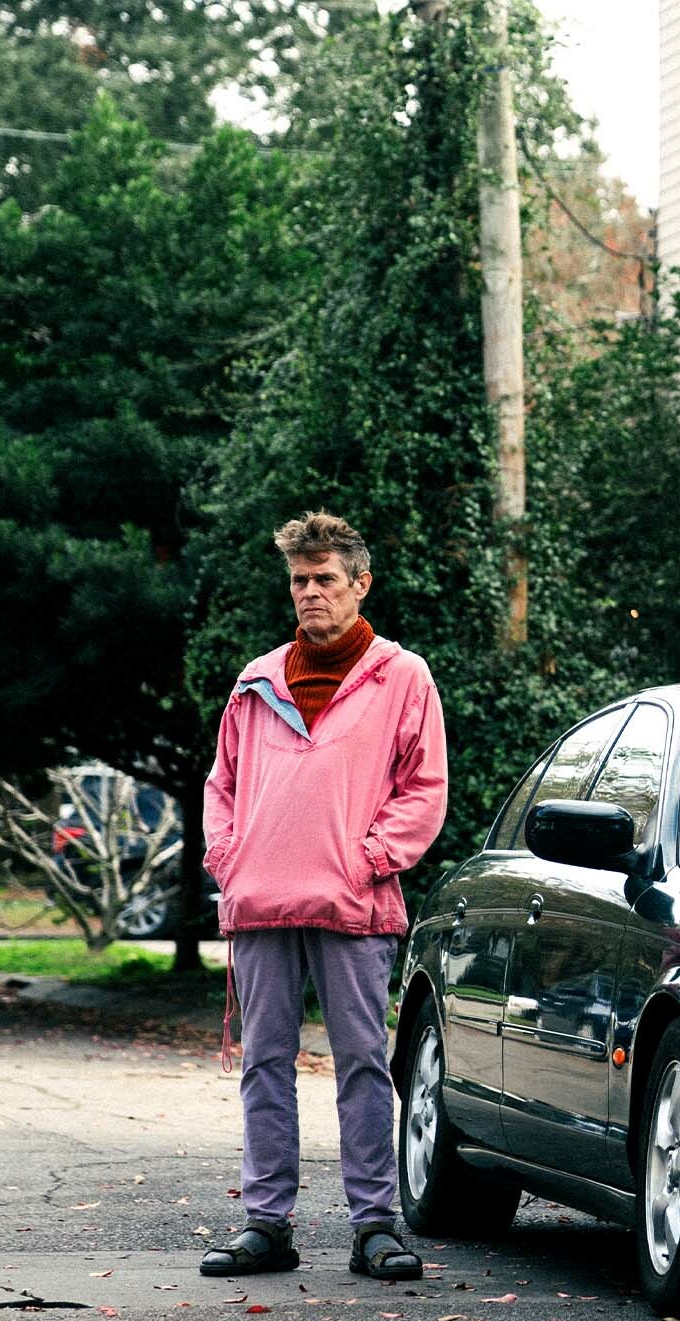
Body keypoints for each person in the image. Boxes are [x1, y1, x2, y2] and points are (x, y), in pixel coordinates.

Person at [198, 511, 448, 1281]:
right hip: (261, 903)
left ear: (360, 584)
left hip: (353, 903)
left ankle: (375, 1226)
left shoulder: (402, 676)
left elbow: (424, 790)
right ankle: (266, 1226)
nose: (310, 593)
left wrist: (368, 860)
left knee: (364, 1065)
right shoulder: (257, 681)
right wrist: (229, 861)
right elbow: (223, 787)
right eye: (299, 581)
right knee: (263, 1064)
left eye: (325, 579)